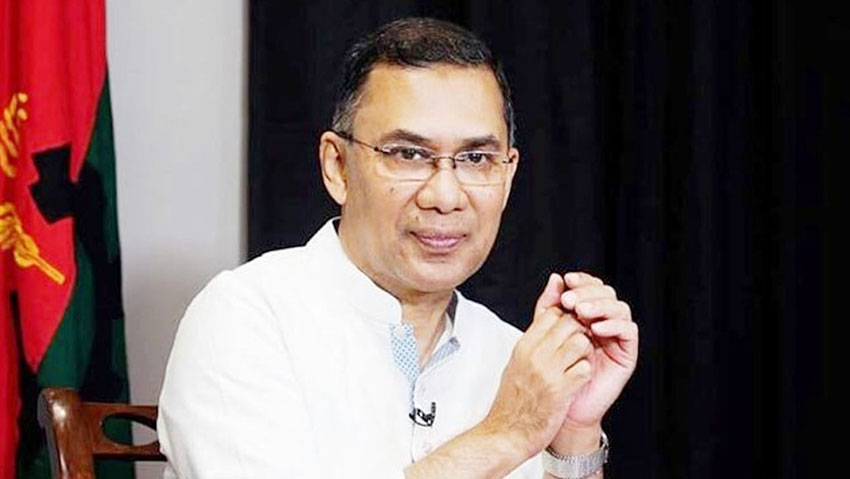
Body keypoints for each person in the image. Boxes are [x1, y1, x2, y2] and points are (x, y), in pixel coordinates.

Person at [157, 17, 638, 479]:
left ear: (508, 176)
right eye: (409, 154)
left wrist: (574, 433)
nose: (445, 196)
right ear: (337, 167)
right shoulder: (246, 318)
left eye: (476, 158)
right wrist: (507, 433)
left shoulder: (514, 355)